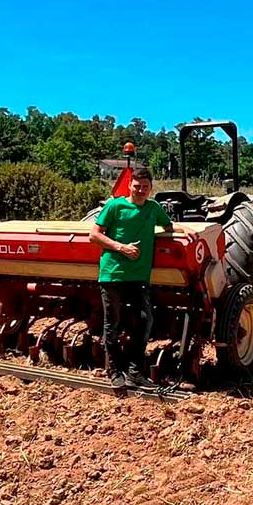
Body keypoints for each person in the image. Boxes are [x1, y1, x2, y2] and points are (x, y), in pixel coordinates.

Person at [89, 167, 173, 390]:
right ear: (129, 185)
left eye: (145, 187)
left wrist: (188, 231)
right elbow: (94, 234)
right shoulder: (115, 205)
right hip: (113, 273)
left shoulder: (154, 207)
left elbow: (169, 226)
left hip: (139, 275)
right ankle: (115, 371)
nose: (141, 190)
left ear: (151, 188)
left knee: (145, 320)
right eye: (137, 186)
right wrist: (121, 247)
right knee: (112, 323)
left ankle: (135, 372)